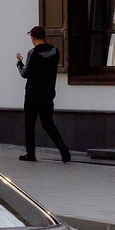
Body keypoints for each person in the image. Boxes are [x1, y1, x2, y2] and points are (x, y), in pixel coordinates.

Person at [16, 25, 70, 162]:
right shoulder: (55, 51)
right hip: (48, 93)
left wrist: (19, 63)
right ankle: (61, 146)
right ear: (44, 37)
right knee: (47, 122)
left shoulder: (32, 53)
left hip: (32, 94)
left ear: (33, 38)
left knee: (29, 123)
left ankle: (31, 154)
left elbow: (25, 74)